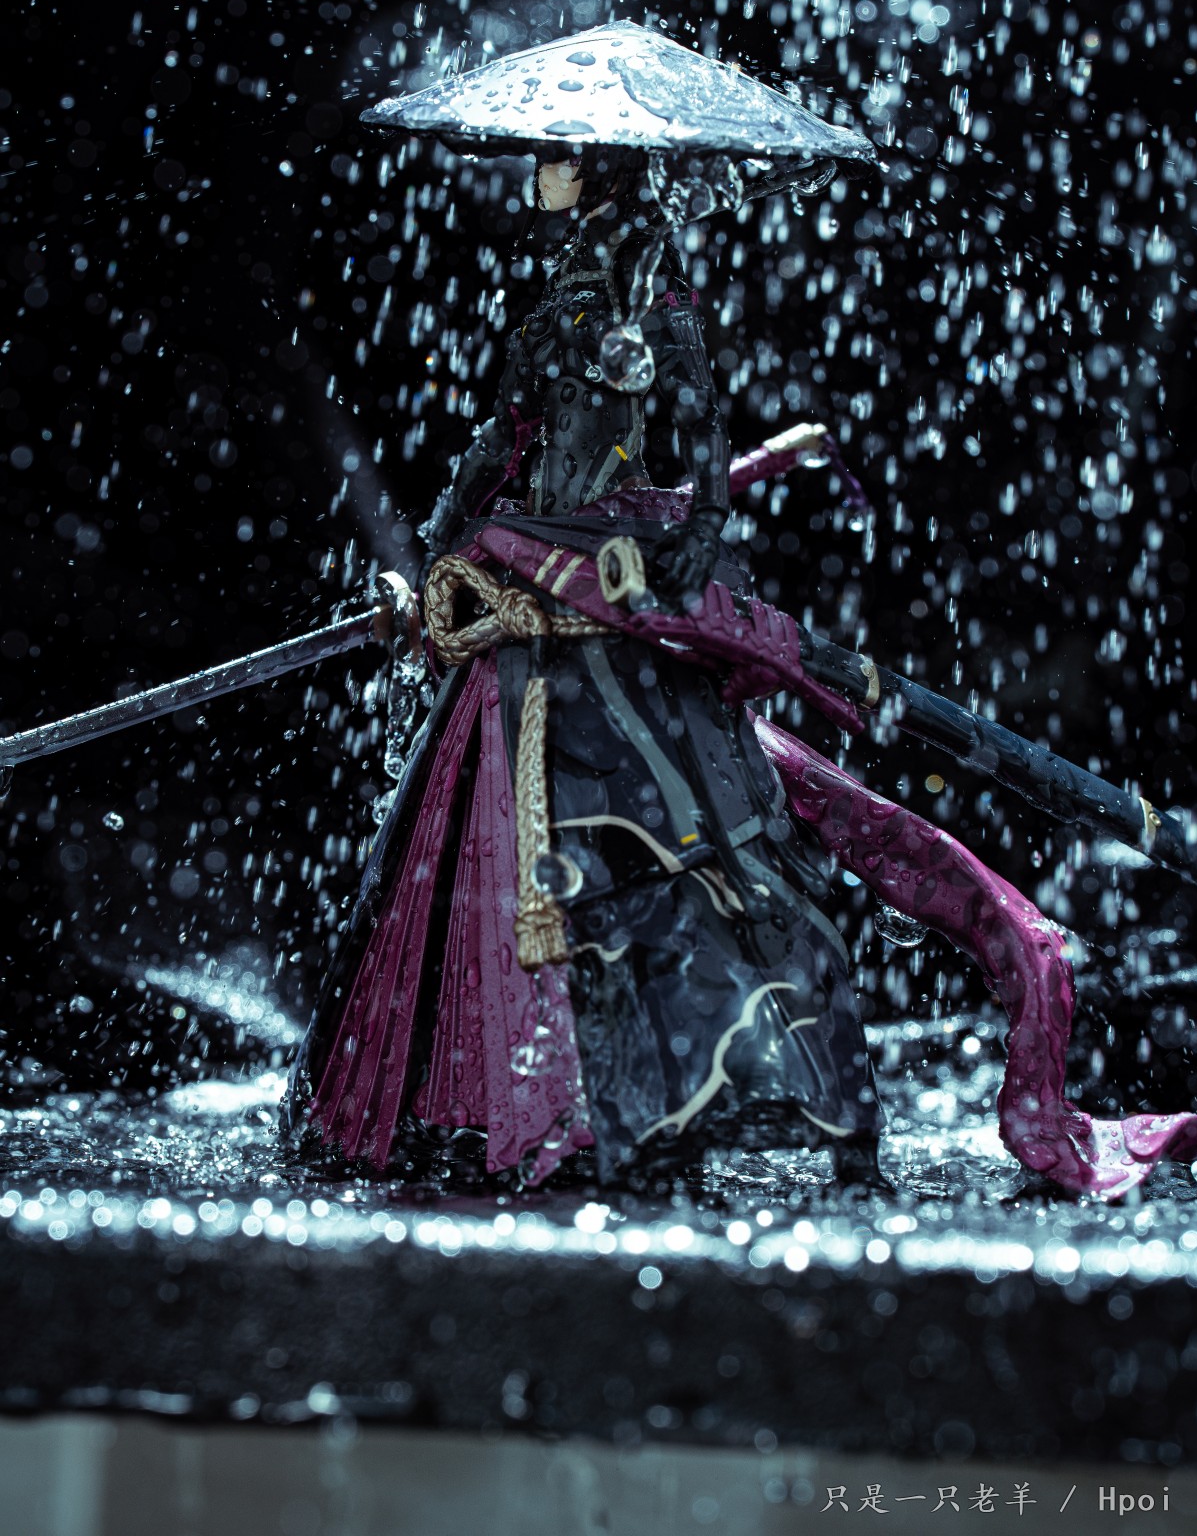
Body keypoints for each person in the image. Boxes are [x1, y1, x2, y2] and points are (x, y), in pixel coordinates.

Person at [282, 145, 886, 1187]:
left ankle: (652, 1089)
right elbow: (505, 437)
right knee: (503, 848)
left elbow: (698, 426)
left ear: (603, 174)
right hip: (527, 566)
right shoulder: (565, 291)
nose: (541, 174)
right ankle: (483, 1093)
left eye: (559, 159)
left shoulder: (657, 295)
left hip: (604, 575)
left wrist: (701, 530)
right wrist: (441, 546)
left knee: (671, 844)